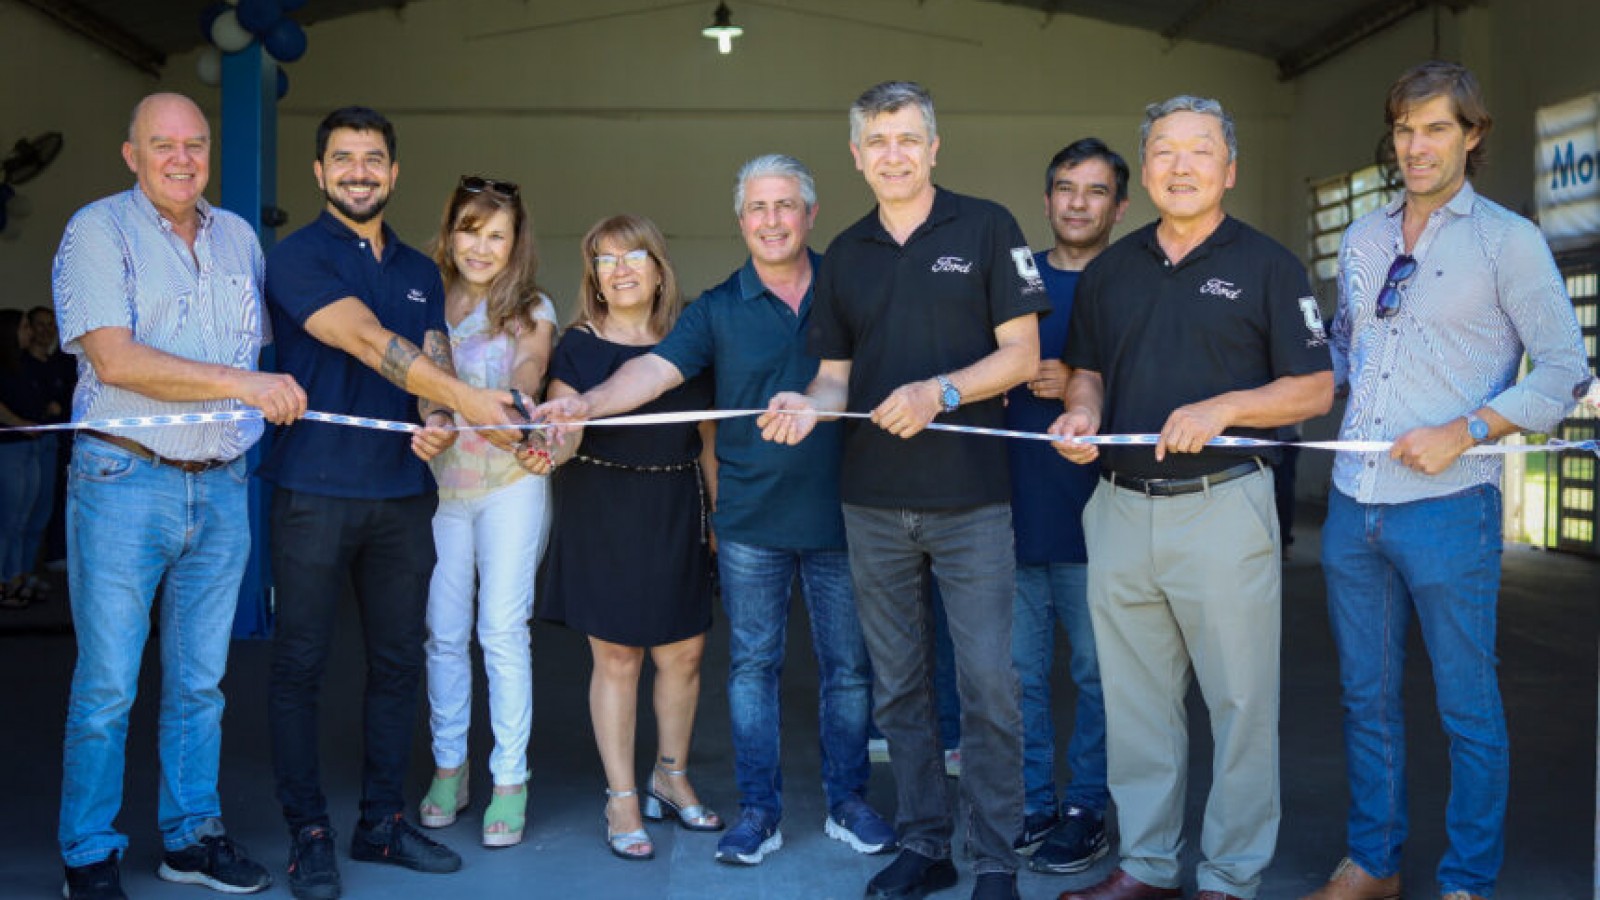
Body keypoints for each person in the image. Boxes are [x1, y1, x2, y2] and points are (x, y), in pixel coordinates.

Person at [532, 155, 894, 866]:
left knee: (848, 670)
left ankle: (850, 802)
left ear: (809, 214)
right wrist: (583, 401)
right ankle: (759, 812)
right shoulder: (717, 309)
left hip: (843, 513)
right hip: (752, 521)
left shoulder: (852, 289)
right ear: (740, 221)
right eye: (757, 208)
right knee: (751, 668)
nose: (771, 220)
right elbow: (652, 372)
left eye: (785, 205)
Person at [1305, 62, 1590, 900]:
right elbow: (1348, 351)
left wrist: (1466, 431)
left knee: (1468, 709)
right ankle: (1374, 863)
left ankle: (1467, 879)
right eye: (1403, 128)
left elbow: (1566, 373)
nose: (1415, 145)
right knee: (1365, 700)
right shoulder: (1362, 237)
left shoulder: (1510, 241)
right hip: (1354, 505)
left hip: (1450, 504)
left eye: (1435, 128)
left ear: (1473, 135)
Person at [760, 80, 1048, 900]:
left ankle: (995, 857)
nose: (893, 154)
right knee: (901, 684)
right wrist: (804, 407)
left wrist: (941, 392)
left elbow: (1021, 354)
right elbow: (833, 380)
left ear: (933, 146)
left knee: (990, 682)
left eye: (907, 138)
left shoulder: (989, 227)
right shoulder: (845, 254)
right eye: (876, 141)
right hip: (873, 501)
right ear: (856, 157)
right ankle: (927, 842)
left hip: (972, 500)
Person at [1049, 95, 1334, 900]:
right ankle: (1146, 867)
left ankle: (1230, 877)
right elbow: (1090, 369)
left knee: (1240, 702)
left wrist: (1225, 409)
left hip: (1222, 506)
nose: (1181, 165)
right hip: (1117, 505)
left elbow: (1315, 388)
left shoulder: (1271, 267)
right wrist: (1082, 413)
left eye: (1200, 151)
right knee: (1136, 703)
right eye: (1165, 152)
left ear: (1229, 168)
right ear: (1145, 171)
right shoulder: (1112, 269)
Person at [260, 106, 523, 900]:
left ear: (394, 172)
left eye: (374, 158)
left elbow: (429, 351)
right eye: (343, 158)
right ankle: (308, 833)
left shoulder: (416, 267)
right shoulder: (296, 257)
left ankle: (381, 821)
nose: (360, 171)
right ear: (319, 172)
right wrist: (472, 402)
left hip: (404, 496)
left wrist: (441, 420)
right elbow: (370, 341)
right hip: (314, 491)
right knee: (300, 667)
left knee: (399, 662)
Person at [50, 91, 307, 899]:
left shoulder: (237, 238)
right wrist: (242, 382)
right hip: (125, 478)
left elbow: (261, 352)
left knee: (200, 681)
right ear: (132, 154)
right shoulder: (98, 230)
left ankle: (190, 838)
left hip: (222, 486)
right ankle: (88, 853)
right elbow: (117, 360)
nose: (181, 158)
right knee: (109, 683)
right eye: (162, 144)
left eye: (194, 143)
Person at [529, 214, 722, 863]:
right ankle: (620, 796)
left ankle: (670, 775)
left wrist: (718, 517)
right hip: (601, 505)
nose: (621, 269)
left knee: (683, 656)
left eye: (635, 255)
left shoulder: (690, 342)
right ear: (594, 277)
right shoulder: (577, 346)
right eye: (606, 259)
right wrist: (553, 438)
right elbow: (564, 417)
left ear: (660, 267)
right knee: (618, 660)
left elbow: (710, 441)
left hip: (676, 501)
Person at [415, 175, 558, 849]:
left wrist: (513, 402)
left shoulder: (531, 307)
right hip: (440, 492)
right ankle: (451, 768)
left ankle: (510, 778)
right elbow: (420, 381)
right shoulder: (423, 297)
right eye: (471, 230)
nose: (481, 246)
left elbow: (531, 367)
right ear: (451, 232)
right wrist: (435, 415)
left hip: (510, 485)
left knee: (502, 631)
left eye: (496, 235)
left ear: (515, 244)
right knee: (444, 632)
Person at [1012, 138, 1127, 875]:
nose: (1077, 202)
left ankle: (1086, 806)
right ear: (1048, 197)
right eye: (1064, 187)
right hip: (1013, 513)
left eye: (1094, 191)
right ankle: (1031, 803)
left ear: (1120, 205)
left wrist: (1088, 387)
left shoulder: (1134, 284)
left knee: (1097, 675)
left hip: (1103, 519)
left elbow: (1169, 390)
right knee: (1016, 675)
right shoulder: (1015, 284)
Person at [0, 309, 49, 608]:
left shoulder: (22, 364)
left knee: (21, 520)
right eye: (23, 327)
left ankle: (16, 577)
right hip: (9, 449)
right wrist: (20, 424)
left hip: (30, 448)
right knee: (7, 521)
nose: (29, 332)